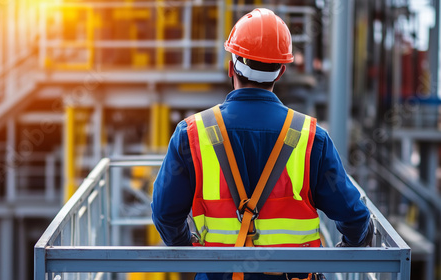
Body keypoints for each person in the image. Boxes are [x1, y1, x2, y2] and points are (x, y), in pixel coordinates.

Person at [151, 8, 374, 280]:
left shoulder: (191, 134)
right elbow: (355, 218)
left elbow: (165, 215)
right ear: (280, 71)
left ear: (231, 66)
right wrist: (348, 248)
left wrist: (193, 253)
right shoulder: (311, 137)